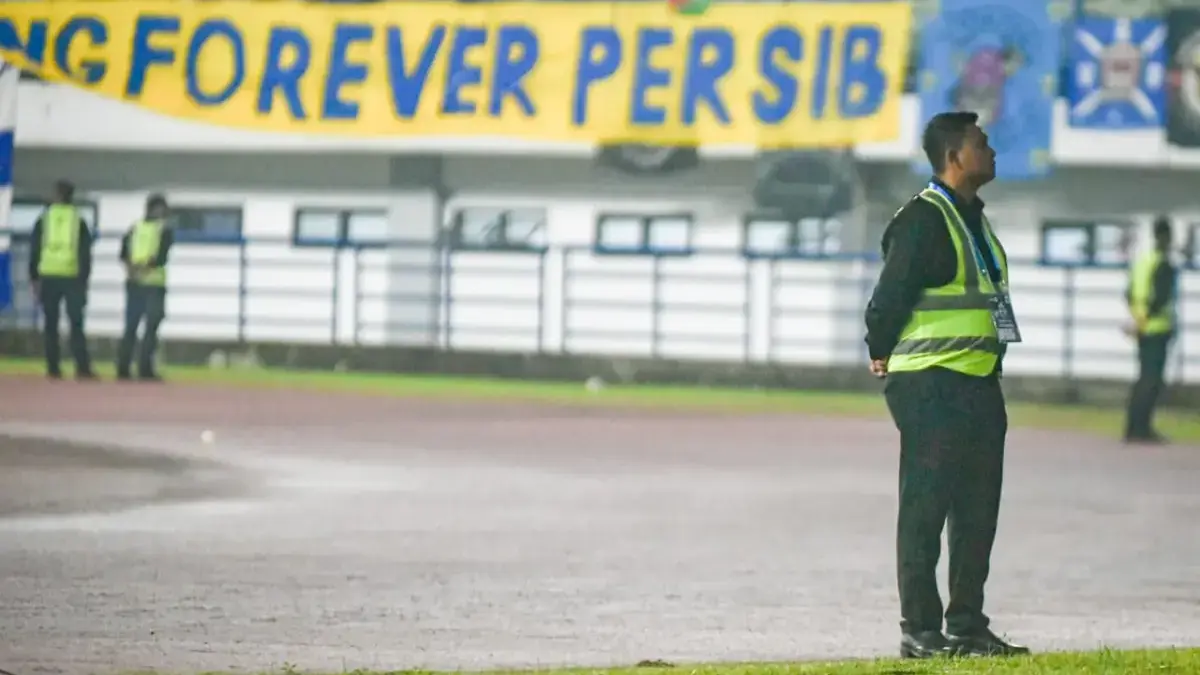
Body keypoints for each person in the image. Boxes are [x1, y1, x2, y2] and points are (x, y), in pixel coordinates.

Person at [863, 111, 1029, 659]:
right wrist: (880, 350)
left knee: (978, 509)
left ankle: (966, 625)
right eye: (982, 143)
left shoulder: (975, 221)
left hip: (979, 383)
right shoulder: (923, 220)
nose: (992, 150)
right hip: (930, 384)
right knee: (926, 507)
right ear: (955, 157)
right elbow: (887, 301)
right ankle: (921, 630)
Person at [27, 179, 96, 380]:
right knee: (76, 323)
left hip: (48, 275)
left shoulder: (44, 219)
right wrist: (85, 279)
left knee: (50, 324)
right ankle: (82, 367)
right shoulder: (78, 220)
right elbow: (85, 254)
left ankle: (53, 367)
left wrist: (33, 277)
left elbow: (35, 249)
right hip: (73, 277)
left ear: (56, 195)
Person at [1123, 216, 1177, 444]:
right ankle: (1143, 428)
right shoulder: (1164, 264)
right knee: (1153, 380)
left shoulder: (1142, 261)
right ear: (1166, 237)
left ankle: (1133, 426)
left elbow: (1128, 293)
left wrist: (1137, 319)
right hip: (1157, 328)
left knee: (1143, 378)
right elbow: (1161, 298)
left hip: (1141, 327)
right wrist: (1146, 320)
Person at [116, 193, 174, 381]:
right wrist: (144, 268)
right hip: (153, 285)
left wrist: (133, 269)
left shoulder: (135, 228)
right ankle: (144, 369)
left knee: (131, 327)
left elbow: (123, 253)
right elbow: (161, 257)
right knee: (150, 329)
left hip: (134, 282)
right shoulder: (163, 230)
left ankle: (123, 368)